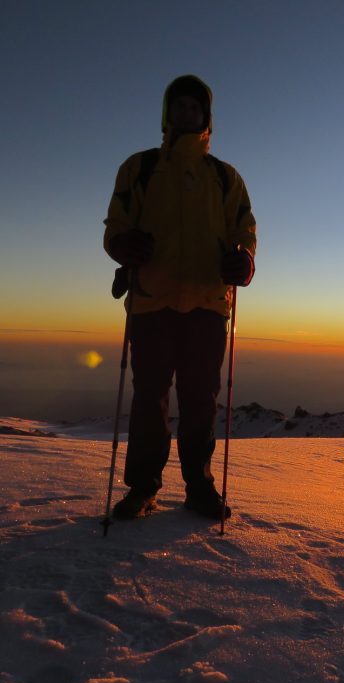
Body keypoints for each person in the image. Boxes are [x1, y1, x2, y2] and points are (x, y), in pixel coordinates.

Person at [104, 75, 256, 520]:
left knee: (199, 400)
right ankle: (144, 488)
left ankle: (199, 487)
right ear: (167, 114)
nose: (188, 114)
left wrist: (244, 259)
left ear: (206, 118)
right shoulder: (140, 168)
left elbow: (243, 230)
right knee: (150, 398)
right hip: (153, 301)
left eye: (196, 108)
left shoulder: (225, 178)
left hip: (207, 306)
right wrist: (121, 245)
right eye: (180, 107)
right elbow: (117, 222)